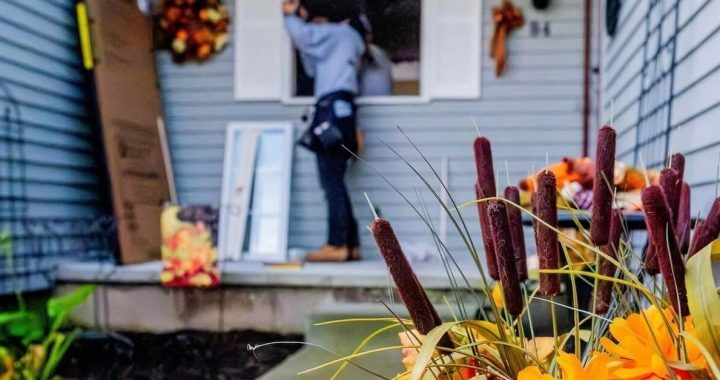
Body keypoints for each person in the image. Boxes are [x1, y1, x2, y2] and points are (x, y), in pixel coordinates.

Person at [283, 0, 364, 262]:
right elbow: (312, 64)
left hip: (330, 112)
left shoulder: (339, 32)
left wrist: (291, 15)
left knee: (331, 180)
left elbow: (303, 36)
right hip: (343, 112)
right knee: (336, 180)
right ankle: (351, 245)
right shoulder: (348, 41)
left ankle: (337, 244)